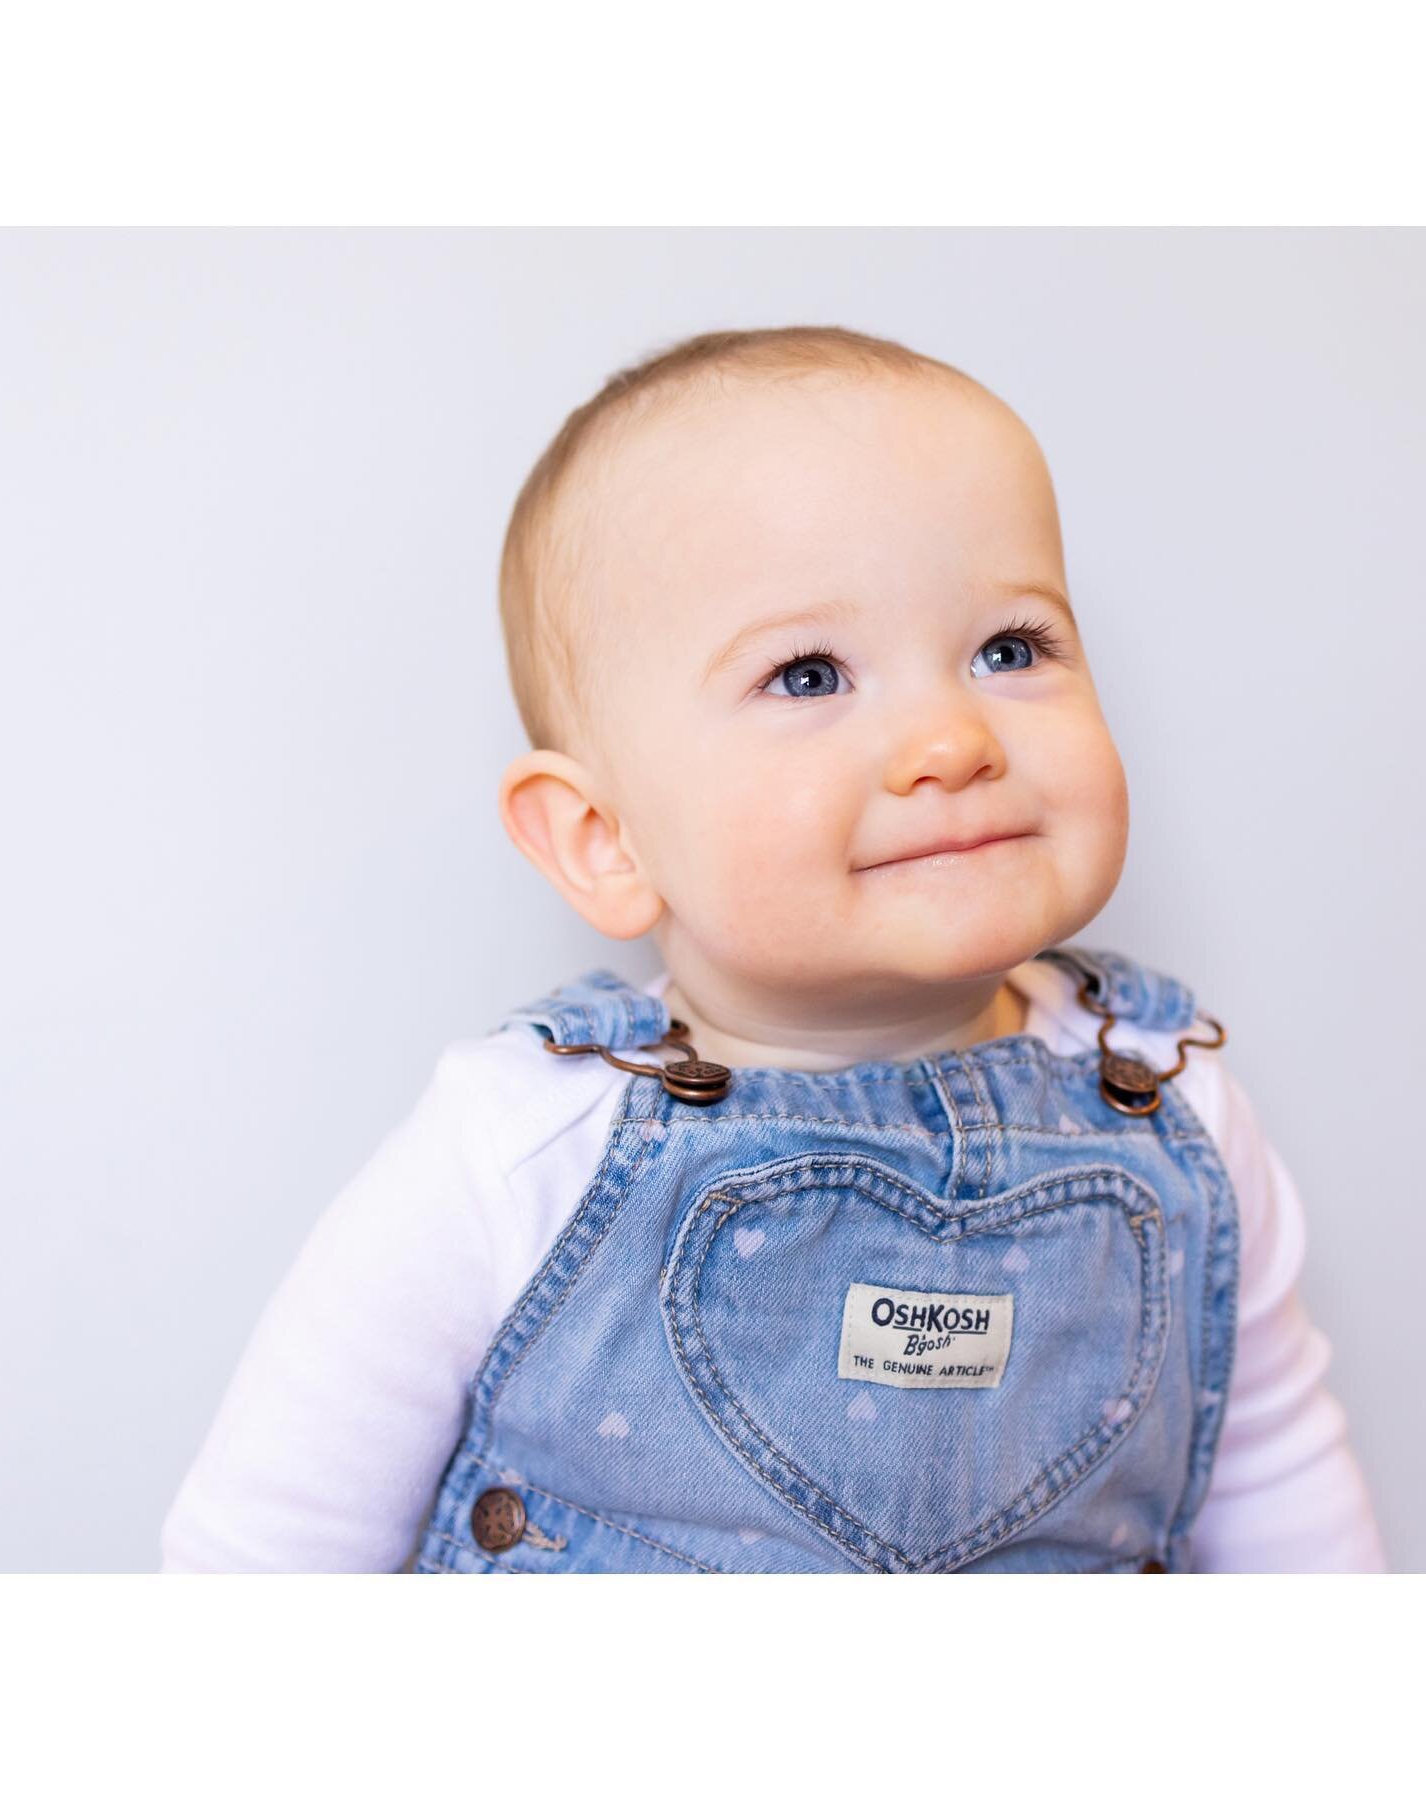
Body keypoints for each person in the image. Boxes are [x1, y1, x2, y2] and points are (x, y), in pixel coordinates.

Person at [158, 325, 1387, 1573]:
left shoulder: (1174, 1113)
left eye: (1009, 649)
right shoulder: (520, 1155)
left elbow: (1275, 1476)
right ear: (603, 839)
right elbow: (267, 1550)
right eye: (808, 676)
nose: (952, 737)